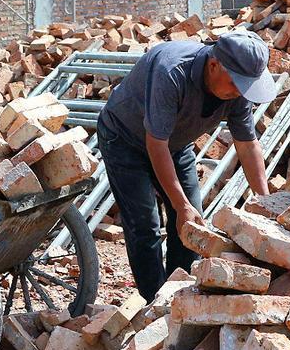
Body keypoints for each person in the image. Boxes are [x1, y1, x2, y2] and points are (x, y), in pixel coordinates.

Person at [97, 31, 277, 302]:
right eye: (235, 84)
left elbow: (247, 144)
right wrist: (180, 205)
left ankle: (180, 296)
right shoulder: (171, 72)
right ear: (214, 65)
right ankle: (155, 304)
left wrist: (265, 203)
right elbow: (155, 144)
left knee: (192, 224)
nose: (240, 92)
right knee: (145, 224)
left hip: (175, 143)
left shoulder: (238, 89)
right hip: (125, 139)